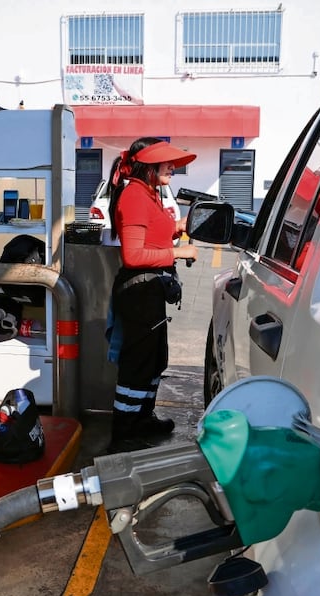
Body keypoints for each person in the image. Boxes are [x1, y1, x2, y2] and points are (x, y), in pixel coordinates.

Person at [105, 137, 198, 451]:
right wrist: (177, 251)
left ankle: (143, 419)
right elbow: (133, 255)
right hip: (140, 292)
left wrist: (177, 227)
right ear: (149, 165)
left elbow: (152, 233)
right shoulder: (134, 196)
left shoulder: (148, 193)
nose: (172, 167)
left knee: (155, 359)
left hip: (150, 291)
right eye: (166, 162)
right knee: (138, 366)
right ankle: (125, 433)